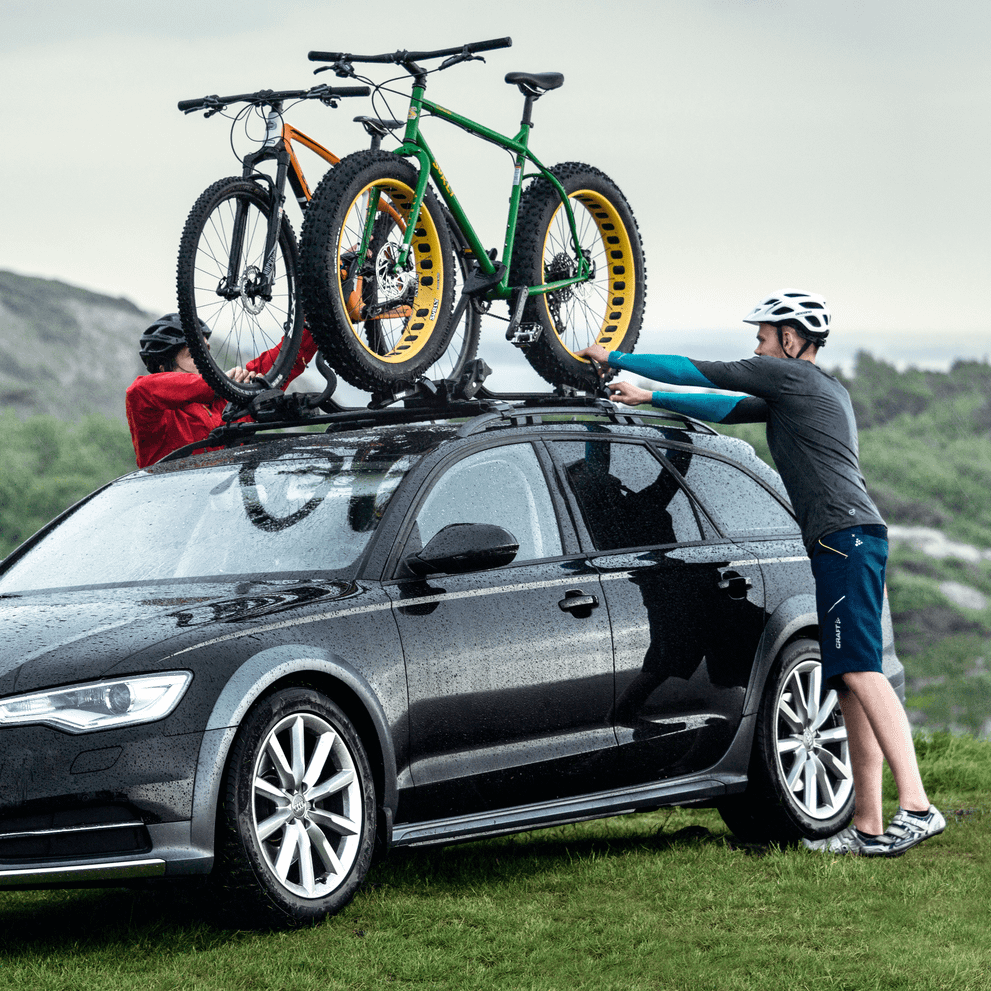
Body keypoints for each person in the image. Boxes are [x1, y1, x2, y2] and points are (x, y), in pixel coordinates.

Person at [578, 288, 945, 857]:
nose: (756, 345)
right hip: (845, 542)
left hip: (846, 541)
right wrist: (648, 397)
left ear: (791, 340)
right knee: (850, 678)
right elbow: (722, 407)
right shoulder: (807, 391)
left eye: (763, 336)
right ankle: (869, 826)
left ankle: (917, 807)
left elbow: (703, 372)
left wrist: (616, 357)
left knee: (864, 674)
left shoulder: (793, 379)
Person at [126, 314, 318, 468]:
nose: (206, 361)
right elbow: (139, 391)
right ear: (164, 369)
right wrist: (218, 383)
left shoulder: (227, 404)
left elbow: (278, 366)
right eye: (194, 354)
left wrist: (317, 318)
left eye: (207, 352)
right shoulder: (159, 416)